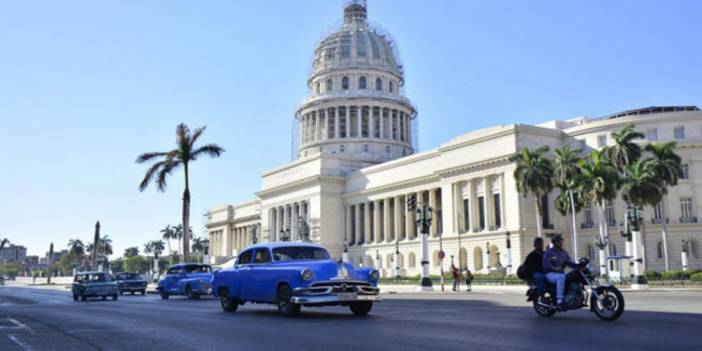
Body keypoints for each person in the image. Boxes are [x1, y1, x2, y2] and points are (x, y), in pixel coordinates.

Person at [543, 235, 576, 308]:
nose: (561, 243)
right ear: (555, 242)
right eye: (559, 241)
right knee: (561, 277)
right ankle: (559, 301)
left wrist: (578, 266)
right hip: (549, 274)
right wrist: (554, 268)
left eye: (562, 241)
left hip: (560, 273)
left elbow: (569, 261)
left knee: (571, 277)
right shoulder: (549, 252)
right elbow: (545, 264)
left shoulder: (564, 252)